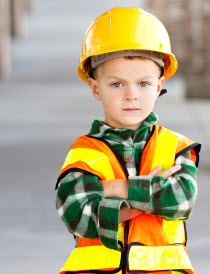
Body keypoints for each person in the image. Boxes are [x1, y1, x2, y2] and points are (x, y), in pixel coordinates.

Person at [55, 6, 201, 274]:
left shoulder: (176, 147)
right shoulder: (84, 153)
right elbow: (79, 216)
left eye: (143, 84)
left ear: (159, 85)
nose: (131, 95)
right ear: (95, 87)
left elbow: (180, 199)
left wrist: (115, 188)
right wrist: (150, 196)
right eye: (117, 84)